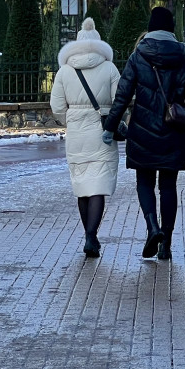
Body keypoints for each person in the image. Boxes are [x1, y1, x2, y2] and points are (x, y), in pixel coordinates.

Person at [104, 6, 185, 261]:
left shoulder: (138, 56)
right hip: (173, 132)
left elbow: (122, 96)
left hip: (143, 131)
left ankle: (152, 227)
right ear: (171, 28)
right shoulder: (184, 56)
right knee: (168, 186)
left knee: (144, 182)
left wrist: (110, 126)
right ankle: (165, 243)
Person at [50, 17, 121, 258]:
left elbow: (57, 106)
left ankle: (88, 235)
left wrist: (69, 120)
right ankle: (92, 235)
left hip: (77, 134)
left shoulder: (65, 71)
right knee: (97, 186)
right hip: (102, 132)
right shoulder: (109, 68)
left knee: (82, 186)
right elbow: (119, 100)